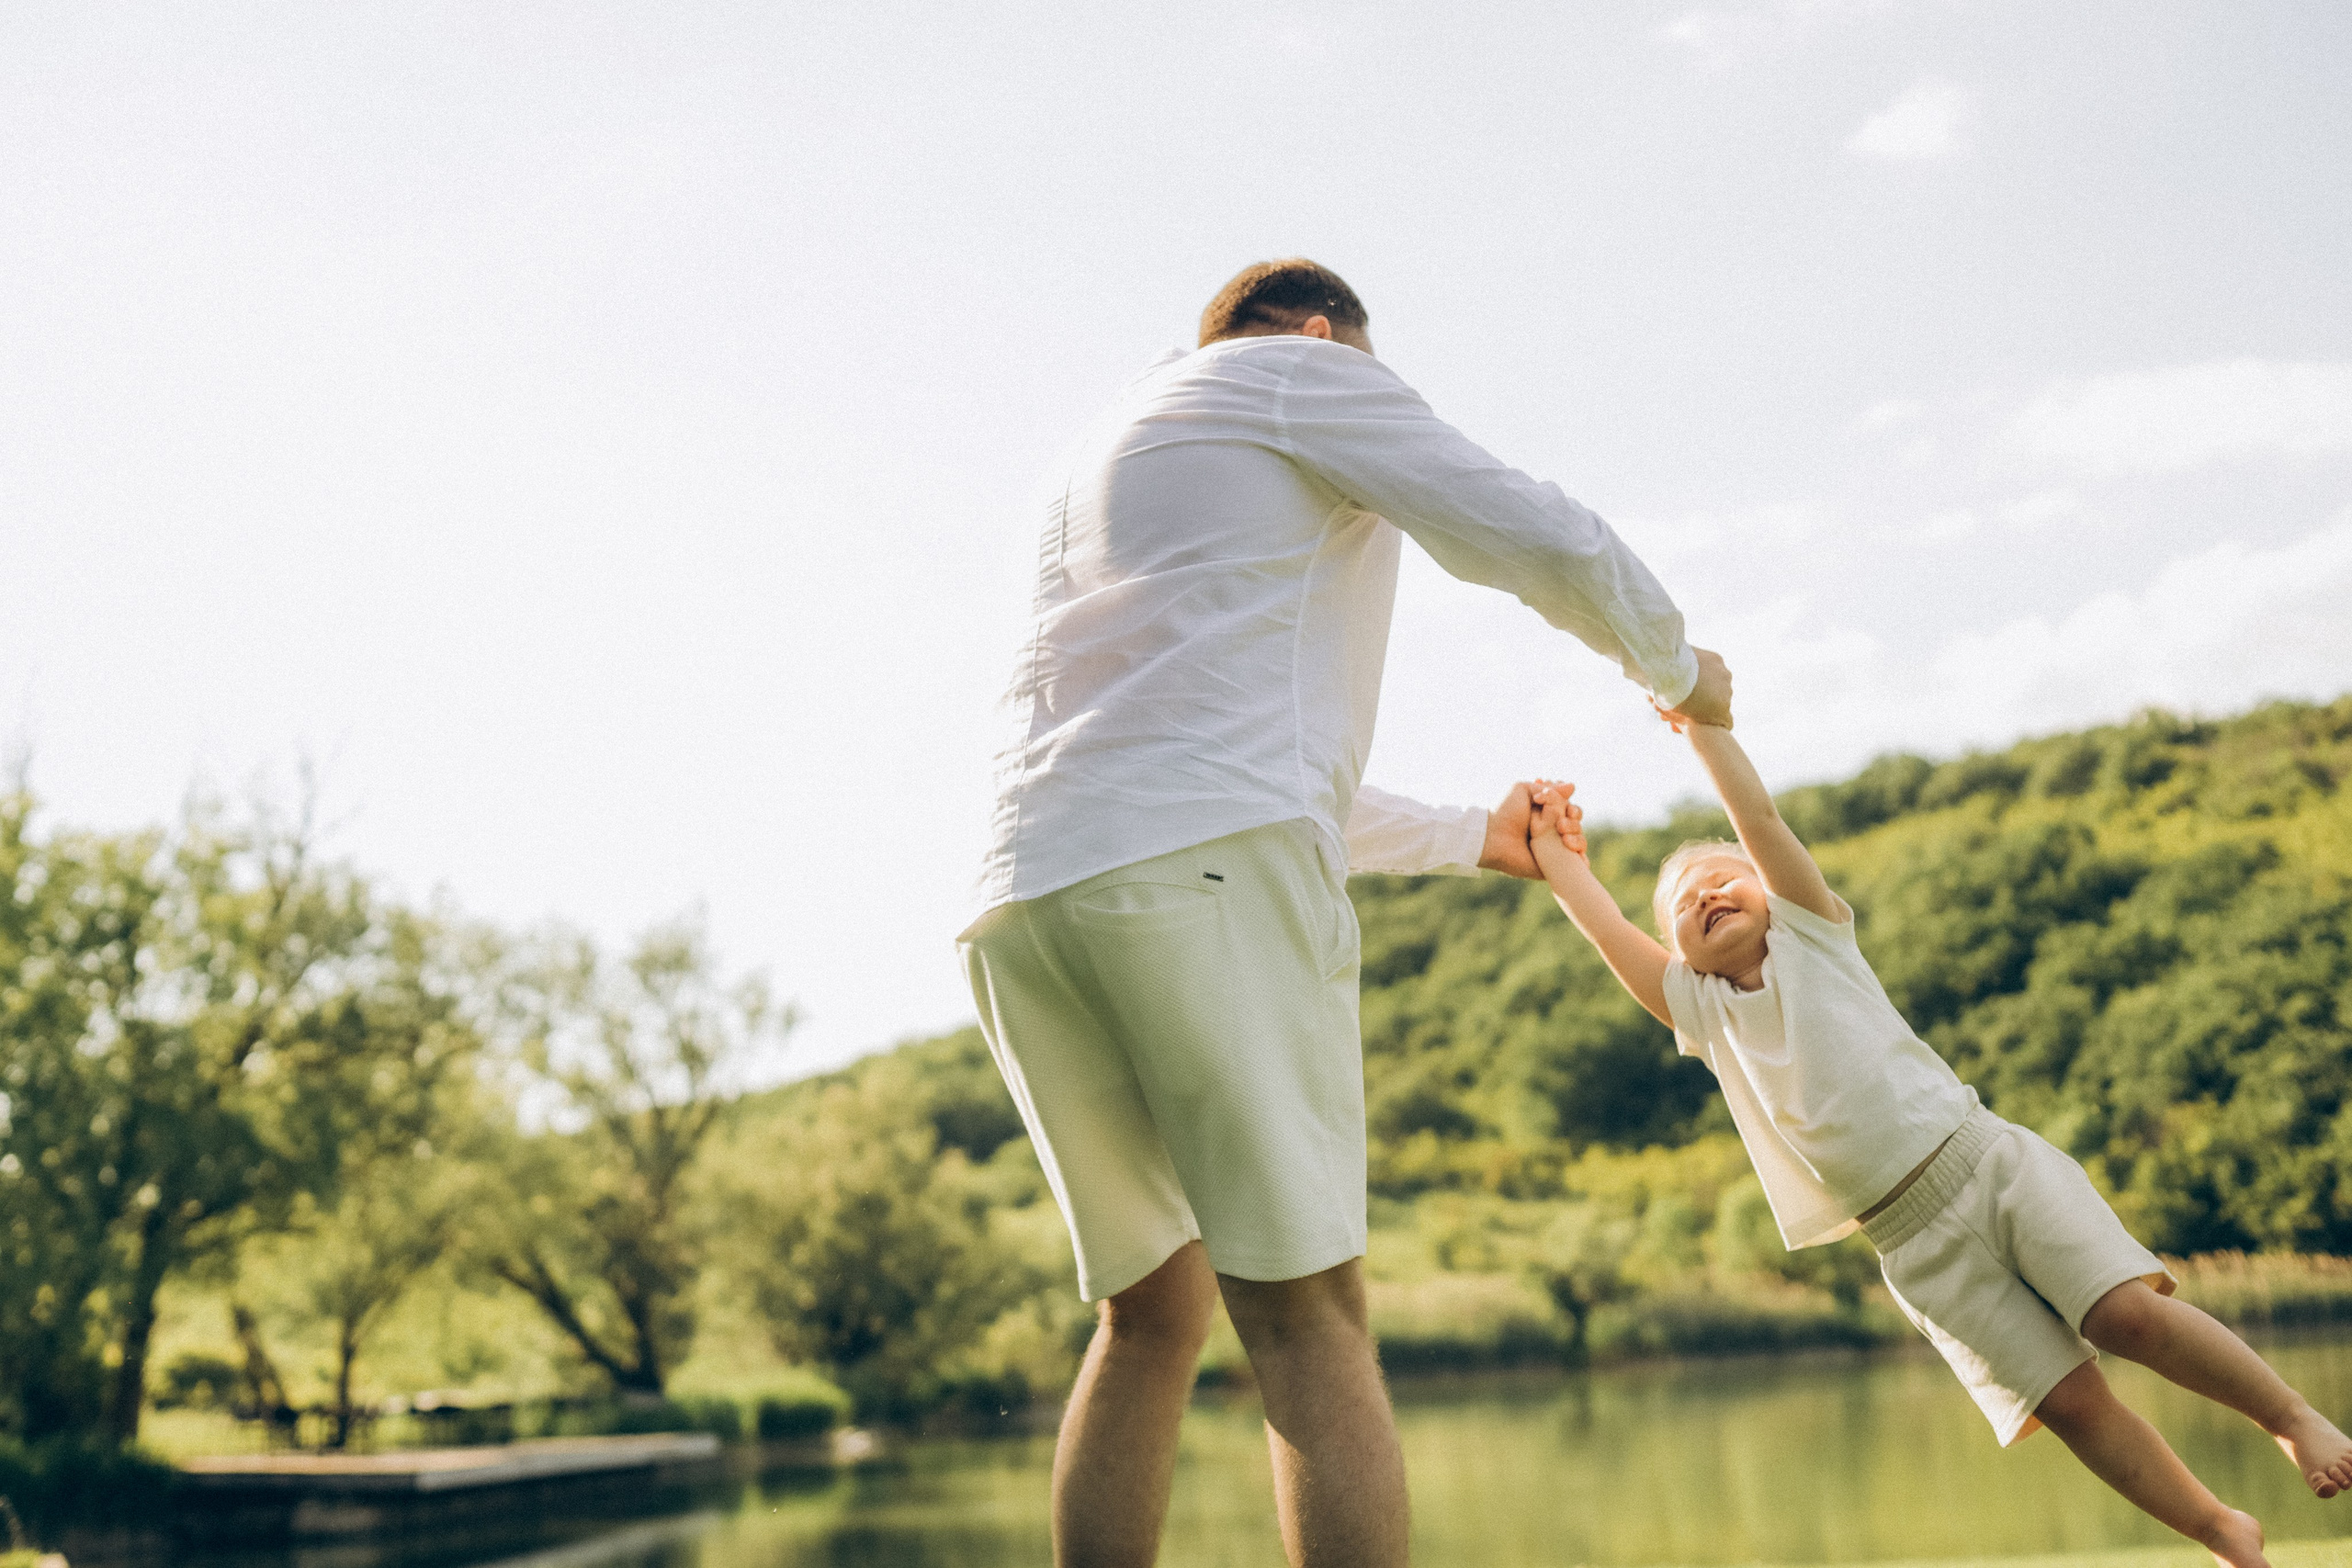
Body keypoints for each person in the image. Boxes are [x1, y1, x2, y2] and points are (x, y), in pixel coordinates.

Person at [956, 258, 1727, 1567]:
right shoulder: (1301, 373)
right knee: (1312, 1315)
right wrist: (1677, 660)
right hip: (1191, 872)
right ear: (1321, 335)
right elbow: (1523, 526)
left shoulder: (1103, 456)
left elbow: (1205, 757)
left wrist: (1473, 838)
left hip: (1026, 893)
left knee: (1149, 1313)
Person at [1522, 716, 2352, 1568]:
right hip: (1911, 1244)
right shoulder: (1703, 1011)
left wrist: (1702, 728)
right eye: (1683, 906)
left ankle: (2291, 1417)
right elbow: (1605, 933)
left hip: (1986, 1164)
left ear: (1768, 887)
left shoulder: (1813, 932)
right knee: (2071, 1406)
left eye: (1720, 877)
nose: (1704, 896)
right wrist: (1555, 855)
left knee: (2127, 1314)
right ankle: (2224, 1531)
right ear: (1678, 956)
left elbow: (1760, 820)